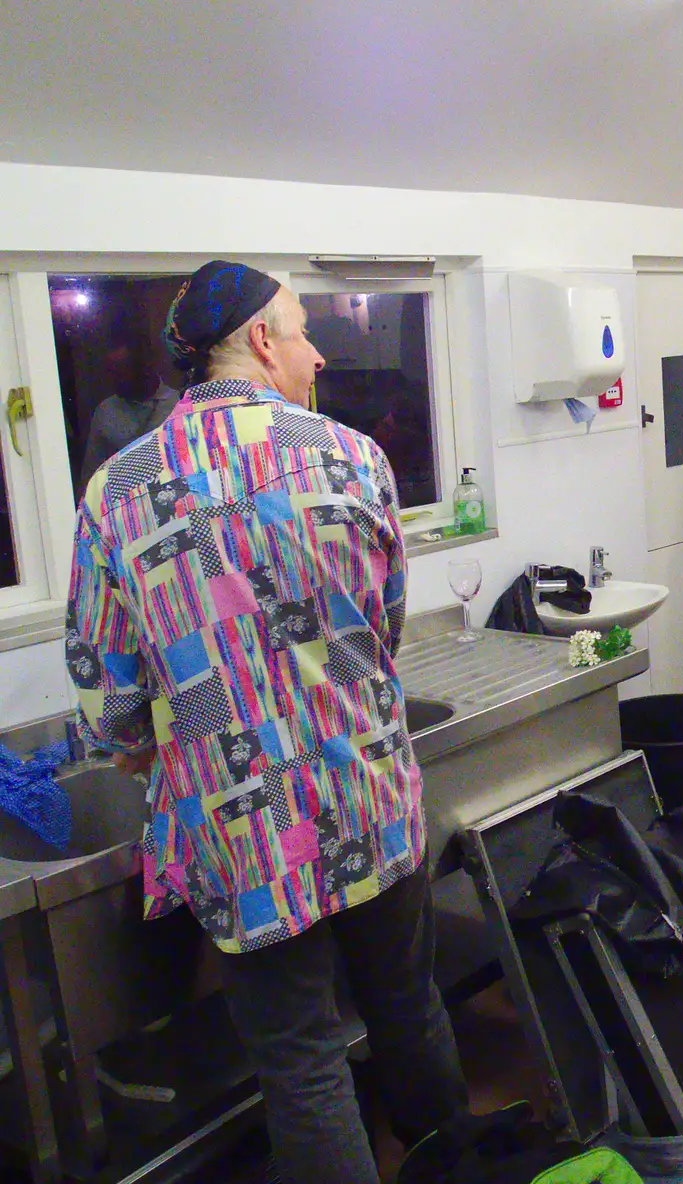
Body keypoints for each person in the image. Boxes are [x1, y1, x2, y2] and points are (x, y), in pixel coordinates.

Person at [65, 260, 469, 1184]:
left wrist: (142, 741)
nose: (319, 351)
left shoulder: (116, 494)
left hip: (246, 832)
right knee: (408, 1003)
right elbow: (386, 625)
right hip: (368, 788)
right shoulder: (352, 457)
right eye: (301, 330)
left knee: (302, 1054)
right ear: (258, 341)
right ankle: (461, 1165)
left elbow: (107, 692)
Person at [75, 341, 181, 496]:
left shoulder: (178, 404)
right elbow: (91, 476)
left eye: (123, 372)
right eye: (113, 373)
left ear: (145, 369)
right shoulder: (106, 412)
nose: (116, 380)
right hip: (122, 504)